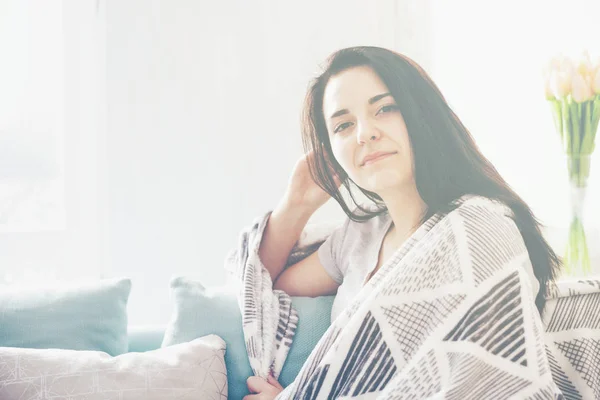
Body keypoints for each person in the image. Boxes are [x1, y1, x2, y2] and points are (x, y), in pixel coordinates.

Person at [243, 46, 561, 399]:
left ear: (422, 115)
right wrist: (294, 206)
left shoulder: (480, 228)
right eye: (343, 125)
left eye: (386, 108)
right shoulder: (358, 237)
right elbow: (265, 286)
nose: (364, 133)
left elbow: (485, 383)